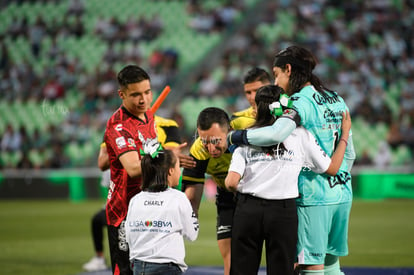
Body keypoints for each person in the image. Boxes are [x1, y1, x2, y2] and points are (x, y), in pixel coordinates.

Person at [228, 45, 356, 275]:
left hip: (312, 196)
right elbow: (349, 154)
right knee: (331, 264)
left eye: (276, 74)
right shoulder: (336, 98)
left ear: (288, 69)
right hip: (342, 192)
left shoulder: (298, 102)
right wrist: (337, 178)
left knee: (311, 267)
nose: (276, 82)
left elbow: (276, 134)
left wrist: (236, 136)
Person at [104, 65, 158, 275]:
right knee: (125, 271)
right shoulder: (118, 126)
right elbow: (134, 168)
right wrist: (164, 158)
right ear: (122, 94)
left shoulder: (148, 116)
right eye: (135, 95)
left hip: (148, 205)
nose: (143, 99)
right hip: (123, 211)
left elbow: (151, 154)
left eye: (147, 92)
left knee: (150, 268)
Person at [125, 143, 199, 275]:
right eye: (178, 167)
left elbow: (129, 235)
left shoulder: (135, 200)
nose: (179, 171)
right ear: (171, 171)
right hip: (167, 267)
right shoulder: (179, 198)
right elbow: (192, 234)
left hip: (137, 266)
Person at [181, 107, 234, 275]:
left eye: (216, 140)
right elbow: (191, 196)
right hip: (227, 196)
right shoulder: (198, 150)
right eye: (205, 141)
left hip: (256, 196)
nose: (210, 149)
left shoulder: (245, 135)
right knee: (230, 255)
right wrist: (189, 221)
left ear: (230, 131)